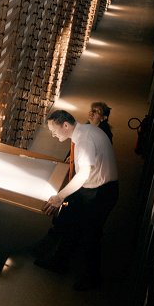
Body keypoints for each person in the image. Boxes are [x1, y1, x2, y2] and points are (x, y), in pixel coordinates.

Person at [34, 110, 119, 290]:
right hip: (93, 189)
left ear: (66, 125)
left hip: (100, 193)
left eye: (54, 129)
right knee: (71, 223)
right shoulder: (85, 131)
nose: (52, 134)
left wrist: (60, 196)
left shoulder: (84, 140)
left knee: (91, 235)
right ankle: (60, 262)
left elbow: (83, 174)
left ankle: (93, 279)